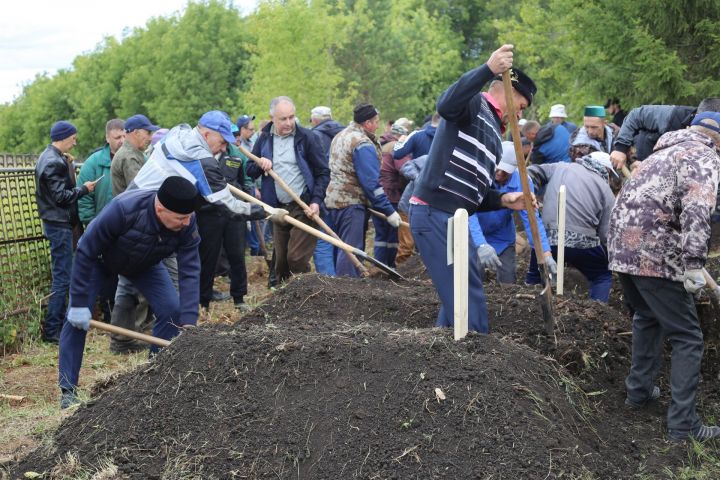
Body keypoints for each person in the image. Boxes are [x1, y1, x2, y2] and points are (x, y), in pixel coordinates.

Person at [607, 112, 720, 442]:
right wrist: (695, 263)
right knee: (688, 337)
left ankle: (638, 392)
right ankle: (683, 425)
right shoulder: (704, 156)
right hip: (655, 254)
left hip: (621, 249)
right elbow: (698, 211)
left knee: (647, 316)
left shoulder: (662, 153)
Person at [409, 44, 536, 333]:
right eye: (522, 106)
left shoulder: (493, 133)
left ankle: (443, 350)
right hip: (434, 213)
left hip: (456, 217)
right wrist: (488, 69)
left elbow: (473, 193)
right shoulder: (474, 105)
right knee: (467, 294)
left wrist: (505, 199)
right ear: (510, 92)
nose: (520, 114)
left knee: (463, 291)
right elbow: (446, 104)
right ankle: (477, 358)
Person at [58, 176, 201, 408]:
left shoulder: (188, 222)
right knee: (75, 319)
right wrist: (79, 302)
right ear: (160, 208)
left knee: (172, 310)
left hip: (145, 264)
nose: (186, 223)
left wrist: (189, 318)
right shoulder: (123, 209)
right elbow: (85, 250)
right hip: (100, 260)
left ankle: (156, 373)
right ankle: (68, 389)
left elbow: (190, 269)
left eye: (188, 217)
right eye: (180, 218)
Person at [246, 96, 329, 283]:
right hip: (277, 209)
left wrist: (316, 201)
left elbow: (323, 172)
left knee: (296, 259)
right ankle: (285, 304)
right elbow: (250, 171)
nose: (289, 123)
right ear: (272, 117)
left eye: (291, 117)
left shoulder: (307, 137)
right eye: (283, 119)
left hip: (304, 207)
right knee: (281, 264)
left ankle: (310, 292)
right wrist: (260, 163)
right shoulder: (265, 139)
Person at [34, 121, 97, 343]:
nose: (75, 141)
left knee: (63, 275)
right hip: (58, 224)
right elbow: (60, 197)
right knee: (62, 277)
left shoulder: (52, 157)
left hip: (56, 222)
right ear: (63, 137)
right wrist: (84, 189)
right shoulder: (53, 162)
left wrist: (67, 161)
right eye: (73, 137)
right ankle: (53, 329)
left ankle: (56, 325)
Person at [526, 152, 616, 302]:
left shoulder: (560, 167)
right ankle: (597, 313)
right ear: (605, 169)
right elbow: (606, 233)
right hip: (583, 242)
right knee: (602, 276)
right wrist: (610, 257)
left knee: (535, 275)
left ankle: (526, 306)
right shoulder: (605, 189)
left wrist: (530, 192)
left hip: (547, 238)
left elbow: (530, 172)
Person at [325, 103, 402, 276]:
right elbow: (371, 183)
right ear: (367, 123)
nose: (377, 125)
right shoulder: (362, 143)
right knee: (351, 252)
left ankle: (338, 287)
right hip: (352, 204)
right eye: (376, 122)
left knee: (341, 248)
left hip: (334, 201)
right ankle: (347, 291)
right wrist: (389, 211)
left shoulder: (340, 136)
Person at [471, 142, 555, 284]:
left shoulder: (522, 180)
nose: (499, 173)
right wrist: (480, 244)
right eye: (498, 168)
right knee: (473, 278)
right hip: (473, 233)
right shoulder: (478, 175)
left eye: (506, 170)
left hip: (502, 236)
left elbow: (531, 217)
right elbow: (469, 212)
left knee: (508, 280)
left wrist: (545, 252)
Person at [76, 118, 125, 324]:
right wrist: (92, 221)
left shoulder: (134, 158)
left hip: (126, 227)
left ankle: (122, 312)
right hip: (102, 227)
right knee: (103, 271)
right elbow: (83, 198)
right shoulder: (94, 162)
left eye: (124, 136)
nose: (122, 141)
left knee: (123, 269)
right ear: (107, 138)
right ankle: (105, 312)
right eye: (117, 137)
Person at [609, 98, 720, 170]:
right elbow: (636, 115)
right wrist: (620, 148)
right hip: (647, 158)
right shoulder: (674, 116)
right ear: (696, 116)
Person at [310, 106, 345, 276]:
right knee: (342, 239)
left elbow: (315, 169)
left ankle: (329, 283)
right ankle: (345, 279)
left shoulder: (314, 136)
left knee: (323, 240)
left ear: (315, 120)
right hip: (347, 197)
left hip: (324, 194)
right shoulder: (346, 134)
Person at [380, 119, 415, 265]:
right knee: (394, 236)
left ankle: (381, 266)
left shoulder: (382, 144)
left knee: (382, 237)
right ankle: (391, 268)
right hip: (392, 195)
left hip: (381, 194)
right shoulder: (396, 147)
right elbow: (405, 168)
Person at [111, 114, 160, 196]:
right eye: (148, 133)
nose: (150, 138)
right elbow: (140, 191)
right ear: (136, 133)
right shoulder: (129, 156)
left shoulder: (130, 153)